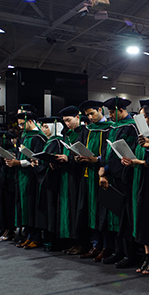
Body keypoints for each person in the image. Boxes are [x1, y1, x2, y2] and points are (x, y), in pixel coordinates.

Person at [121, 99, 149, 275]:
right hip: (139, 182)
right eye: (139, 117)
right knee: (141, 220)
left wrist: (147, 151)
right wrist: (129, 161)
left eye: (145, 116)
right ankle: (146, 256)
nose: (142, 120)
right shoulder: (140, 136)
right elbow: (136, 156)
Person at [97, 97, 138, 266]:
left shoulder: (131, 128)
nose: (110, 116)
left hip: (125, 178)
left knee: (125, 217)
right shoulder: (113, 127)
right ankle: (118, 250)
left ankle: (130, 254)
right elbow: (108, 152)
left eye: (113, 112)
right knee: (114, 216)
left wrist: (107, 169)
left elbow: (127, 155)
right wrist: (103, 170)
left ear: (121, 110)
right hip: (112, 176)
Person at [76, 100, 113, 260]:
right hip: (88, 175)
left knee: (103, 212)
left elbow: (109, 152)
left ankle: (107, 247)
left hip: (102, 174)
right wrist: (78, 157)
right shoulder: (87, 129)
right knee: (91, 212)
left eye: (92, 113)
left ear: (100, 109)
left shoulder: (110, 128)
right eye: (87, 115)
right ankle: (96, 245)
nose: (90, 117)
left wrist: (97, 160)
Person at [6, 111, 47, 249]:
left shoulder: (39, 138)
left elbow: (38, 159)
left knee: (32, 206)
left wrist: (19, 163)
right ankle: (28, 235)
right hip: (22, 176)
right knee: (24, 206)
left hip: (33, 177)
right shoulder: (24, 137)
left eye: (23, 124)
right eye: (19, 125)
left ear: (31, 121)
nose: (21, 127)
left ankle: (35, 237)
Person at [56, 106, 88, 255]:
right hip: (66, 177)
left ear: (77, 117)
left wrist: (69, 159)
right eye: (64, 122)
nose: (67, 124)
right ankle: (71, 241)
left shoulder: (84, 132)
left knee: (77, 210)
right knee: (68, 209)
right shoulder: (66, 134)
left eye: (69, 120)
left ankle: (81, 243)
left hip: (78, 177)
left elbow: (83, 157)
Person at [35, 117, 64, 250]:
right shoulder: (49, 142)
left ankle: (54, 241)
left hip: (53, 182)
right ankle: (48, 239)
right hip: (46, 180)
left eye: (46, 127)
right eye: (43, 127)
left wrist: (46, 163)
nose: (43, 129)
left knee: (53, 211)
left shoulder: (58, 142)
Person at [0, 131, 17, 242]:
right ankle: (4, 228)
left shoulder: (12, 152)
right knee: (3, 206)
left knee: (8, 207)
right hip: (3, 181)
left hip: (10, 182)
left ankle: (10, 230)